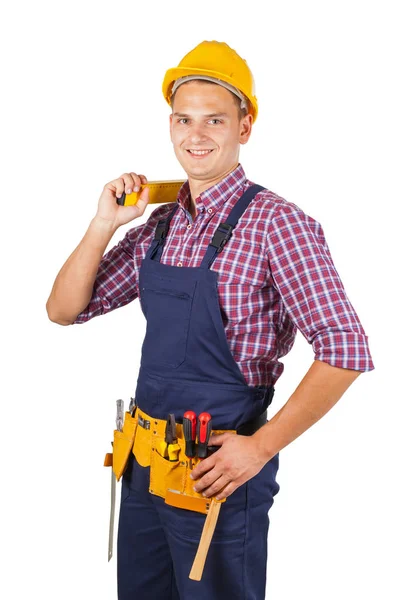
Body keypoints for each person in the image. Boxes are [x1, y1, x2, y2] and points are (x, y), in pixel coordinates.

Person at [46, 40, 375, 600]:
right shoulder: (159, 225)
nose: (195, 136)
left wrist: (261, 446)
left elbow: (345, 349)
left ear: (245, 127)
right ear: (170, 126)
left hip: (218, 472)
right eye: (183, 120)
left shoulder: (279, 224)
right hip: (145, 467)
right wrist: (106, 223)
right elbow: (64, 309)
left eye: (214, 120)